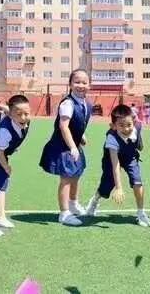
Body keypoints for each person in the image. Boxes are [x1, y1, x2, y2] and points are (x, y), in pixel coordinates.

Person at [39, 69, 92, 226]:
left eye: (84, 82)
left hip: (74, 144)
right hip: (63, 147)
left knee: (76, 175)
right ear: (70, 84)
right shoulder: (68, 103)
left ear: (89, 85)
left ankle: (73, 203)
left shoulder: (85, 103)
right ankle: (64, 213)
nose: (81, 85)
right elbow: (64, 126)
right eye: (77, 82)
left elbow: (77, 123)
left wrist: (81, 135)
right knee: (67, 178)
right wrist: (72, 147)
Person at [85, 104, 149, 227]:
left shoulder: (137, 126)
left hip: (130, 156)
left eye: (129, 125)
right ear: (113, 126)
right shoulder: (111, 138)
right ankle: (95, 200)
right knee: (106, 185)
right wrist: (119, 188)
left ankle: (141, 212)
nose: (126, 129)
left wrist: (139, 143)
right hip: (111, 159)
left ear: (134, 122)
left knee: (137, 182)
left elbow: (139, 138)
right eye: (121, 125)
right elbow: (115, 165)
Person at [0, 95, 31, 229]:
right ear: (11, 115)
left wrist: (1, 106)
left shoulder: (21, 117)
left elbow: (10, 109)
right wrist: (6, 167)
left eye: (26, 113)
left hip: (7, 147)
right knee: (2, 180)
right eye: (19, 114)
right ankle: (0, 217)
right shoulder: (4, 131)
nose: (23, 117)